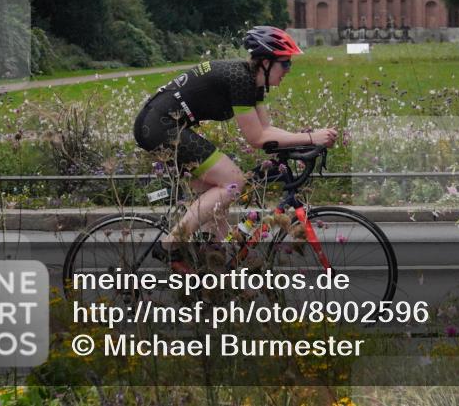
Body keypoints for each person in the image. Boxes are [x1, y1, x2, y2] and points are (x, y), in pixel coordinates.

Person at [133, 25, 337, 271]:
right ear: (265, 62)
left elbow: (267, 131)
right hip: (158, 126)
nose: (288, 70)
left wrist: (304, 140)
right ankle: (169, 246)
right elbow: (257, 138)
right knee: (233, 182)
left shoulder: (255, 83)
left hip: (168, 126)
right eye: (285, 63)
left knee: (218, 196)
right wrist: (311, 137)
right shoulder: (240, 79)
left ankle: (211, 266)